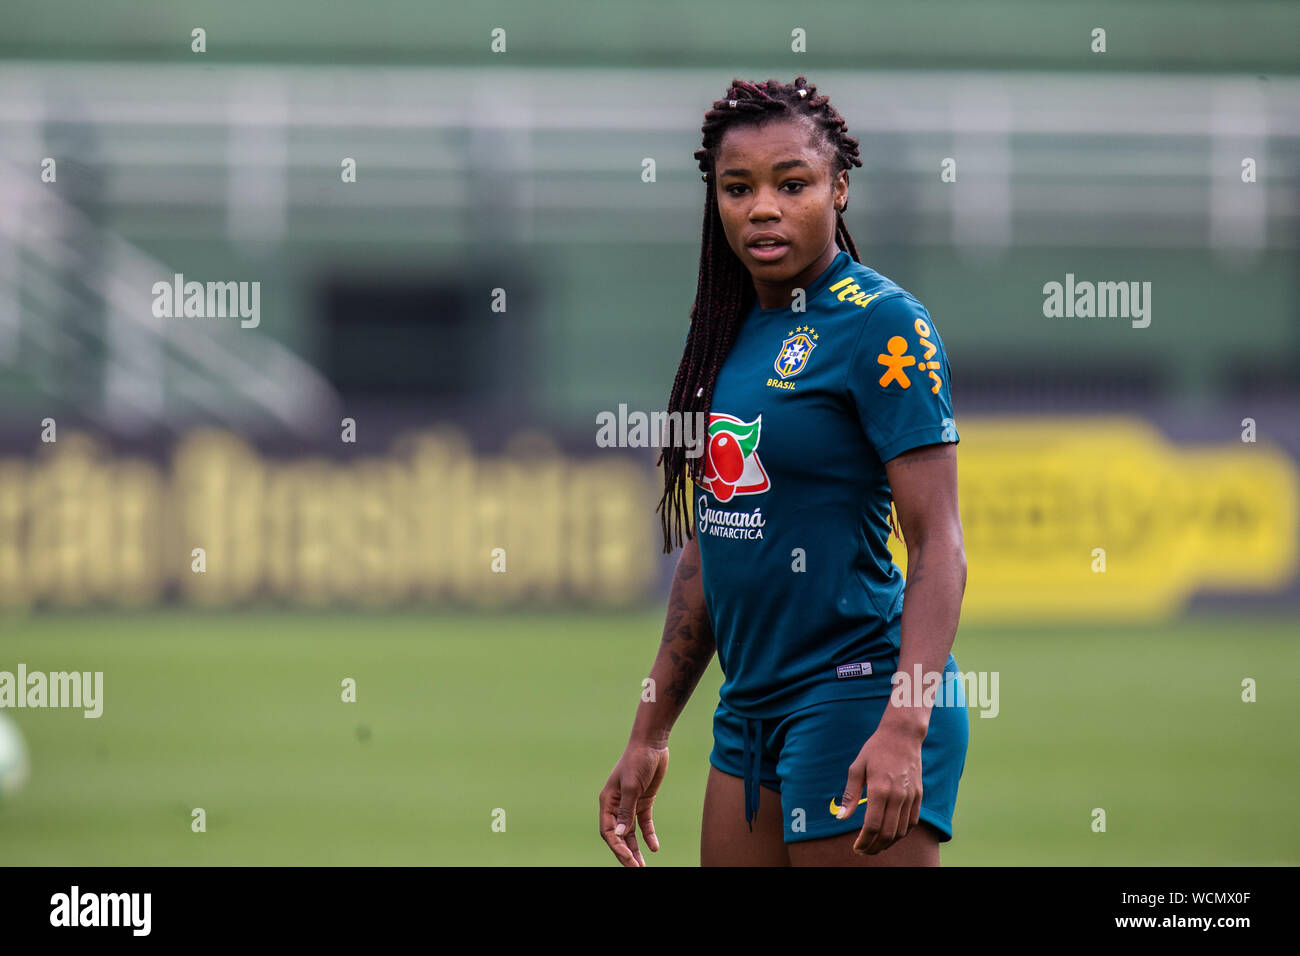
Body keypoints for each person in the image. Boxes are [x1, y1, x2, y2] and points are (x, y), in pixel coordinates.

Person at [599, 76, 969, 866]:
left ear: (838, 188)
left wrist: (905, 725)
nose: (762, 206)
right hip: (747, 717)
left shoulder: (882, 324)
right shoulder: (724, 335)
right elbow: (710, 548)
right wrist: (650, 731)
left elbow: (939, 543)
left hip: (859, 692)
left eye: (791, 183)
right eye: (739, 188)